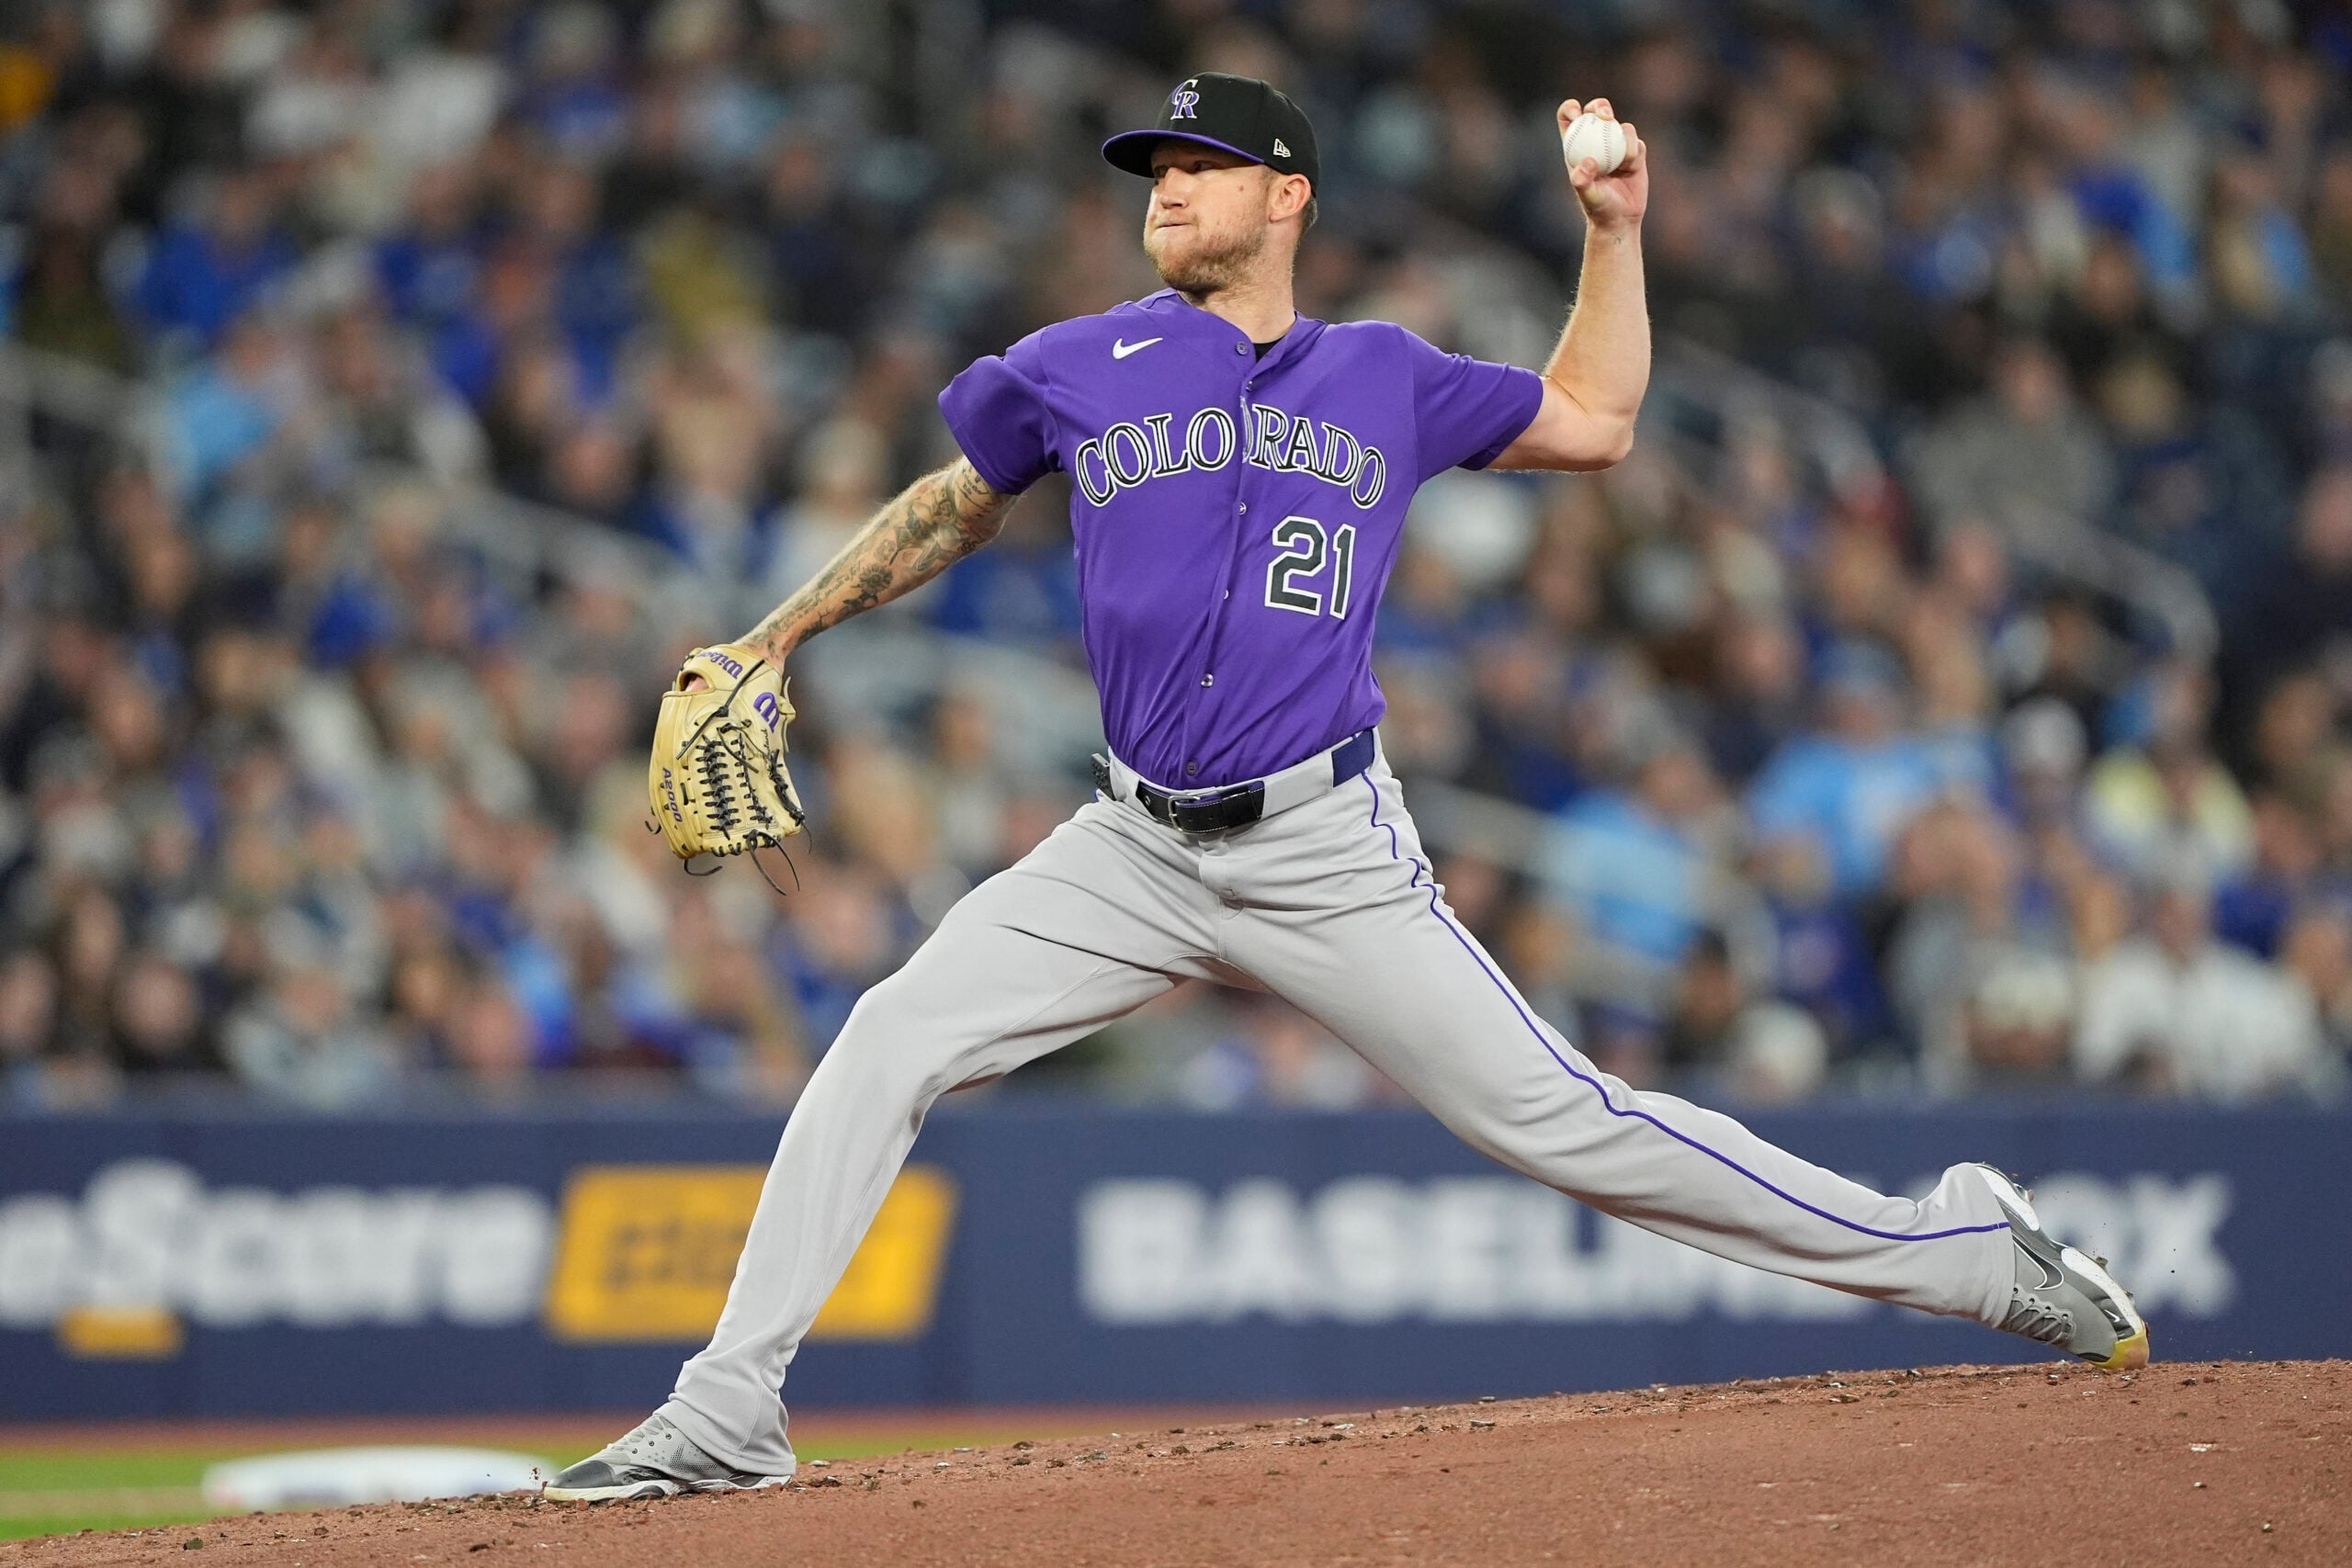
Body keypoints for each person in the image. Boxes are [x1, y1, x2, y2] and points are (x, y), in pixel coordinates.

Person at [547, 74, 2147, 1501]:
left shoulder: (1383, 372)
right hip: (1130, 844)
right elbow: (950, 504)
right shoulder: (1083, 361)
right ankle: (727, 1409)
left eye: (1201, 163)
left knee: (1573, 1129)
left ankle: (1955, 1252)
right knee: (889, 1035)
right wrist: (777, 632)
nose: (1165, 189)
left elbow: (1593, 420)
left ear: (1287, 193)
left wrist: (1614, 231)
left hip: (1325, 846)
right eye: (1152, 168)